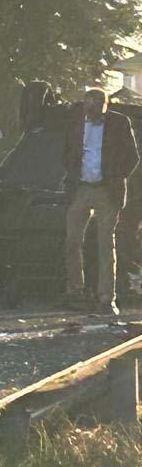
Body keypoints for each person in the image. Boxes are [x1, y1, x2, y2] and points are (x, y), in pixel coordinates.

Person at [64, 87, 140, 315]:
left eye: (97, 106)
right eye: (89, 106)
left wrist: (114, 178)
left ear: (105, 105)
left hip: (107, 191)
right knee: (72, 241)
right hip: (81, 188)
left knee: (105, 244)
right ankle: (75, 292)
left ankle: (107, 298)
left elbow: (132, 157)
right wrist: (71, 173)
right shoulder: (76, 123)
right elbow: (67, 151)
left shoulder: (119, 123)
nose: (93, 111)